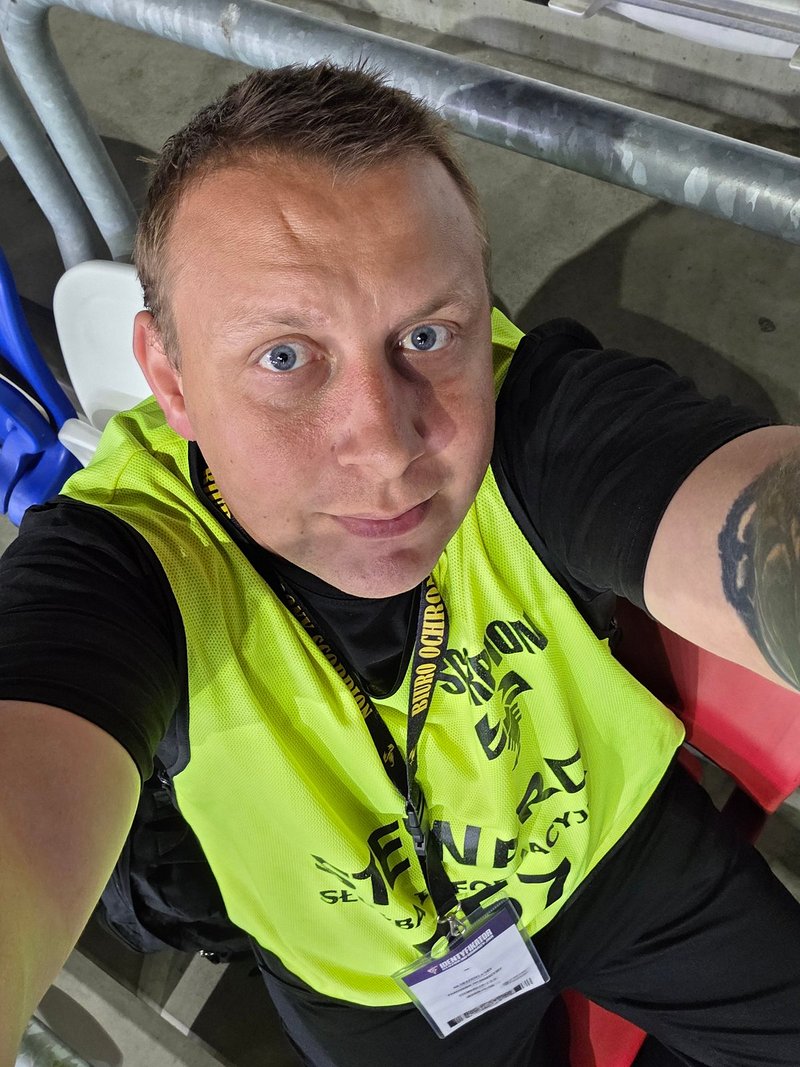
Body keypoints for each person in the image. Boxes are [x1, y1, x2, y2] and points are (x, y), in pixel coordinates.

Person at [1, 61, 800, 1067]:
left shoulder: (532, 417)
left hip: (610, 842)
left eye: (426, 334)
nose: (384, 448)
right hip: (373, 978)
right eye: (285, 356)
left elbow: (735, 511)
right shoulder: (127, 564)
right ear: (171, 379)